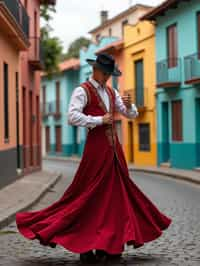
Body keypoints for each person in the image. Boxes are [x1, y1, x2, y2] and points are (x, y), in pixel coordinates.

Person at [16, 53, 172, 264]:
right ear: (96, 70)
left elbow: (131, 115)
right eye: (105, 73)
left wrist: (129, 105)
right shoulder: (82, 90)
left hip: (115, 153)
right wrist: (99, 119)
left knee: (117, 199)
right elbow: (72, 116)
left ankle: (111, 245)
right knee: (89, 198)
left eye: (110, 74)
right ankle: (87, 245)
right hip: (96, 152)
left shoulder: (111, 91)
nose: (108, 77)